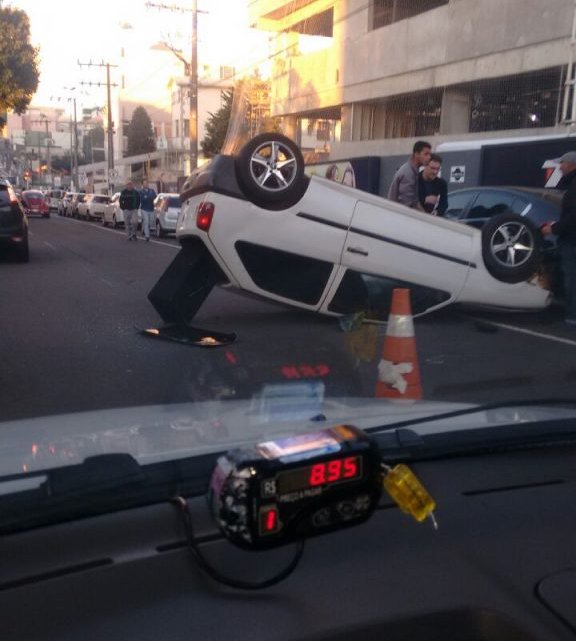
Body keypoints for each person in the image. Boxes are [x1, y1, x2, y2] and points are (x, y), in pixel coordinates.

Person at [541, 151, 576, 327]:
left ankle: (572, 317)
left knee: (571, 277)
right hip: (569, 236)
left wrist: (553, 228)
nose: (560, 167)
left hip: (571, 240)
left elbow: (573, 217)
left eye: (562, 164)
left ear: (571, 165)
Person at [387, 140, 432, 210]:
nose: (429, 157)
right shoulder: (408, 174)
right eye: (426, 154)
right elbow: (407, 204)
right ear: (416, 154)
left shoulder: (412, 171)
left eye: (430, 155)